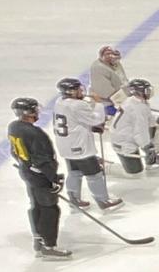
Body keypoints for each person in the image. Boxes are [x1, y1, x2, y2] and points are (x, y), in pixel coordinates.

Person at [8, 97, 70, 259]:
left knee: (36, 206)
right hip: (41, 177)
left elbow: (14, 152)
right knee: (50, 209)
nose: (37, 112)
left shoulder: (13, 126)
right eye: (35, 109)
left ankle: (39, 239)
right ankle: (48, 246)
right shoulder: (35, 133)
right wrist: (54, 179)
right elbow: (43, 161)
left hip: (28, 173)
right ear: (27, 112)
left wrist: (26, 165)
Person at [50, 78, 119, 210]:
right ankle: (103, 200)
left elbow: (74, 120)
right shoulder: (77, 105)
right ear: (71, 92)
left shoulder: (59, 102)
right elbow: (96, 119)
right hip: (80, 147)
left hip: (66, 145)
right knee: (95, 174)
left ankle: (74, 199)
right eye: (78, 89)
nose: (81, 91)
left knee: (74, 172)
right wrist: (98, 104)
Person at [109, 78, 159, 175]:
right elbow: (140, 132)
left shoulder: (134, 101)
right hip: (123, 143)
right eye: (147, 90)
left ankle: (152, 159)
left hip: (127, 137)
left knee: (157, 131)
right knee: (135, 172)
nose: (149, 92)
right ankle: (104, 167)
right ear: (139, 92)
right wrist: (148, 148)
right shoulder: (137, 108)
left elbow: (148, 117)